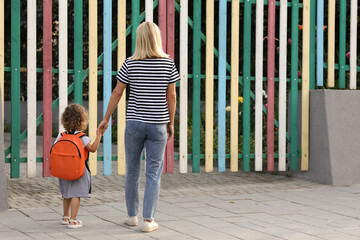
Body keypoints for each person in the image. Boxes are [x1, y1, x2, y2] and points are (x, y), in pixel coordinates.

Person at [97, 21, 179, 232]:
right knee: (153, 173)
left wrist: (106, 118)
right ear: (157, 38)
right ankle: (148, 221)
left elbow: (117, 93)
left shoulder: (130, 63)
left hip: (134, 123)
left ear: (139, 39)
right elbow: (171, 95)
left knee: (132, 171)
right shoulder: (168, 63)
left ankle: (132, 216)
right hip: (157, 124)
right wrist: (170, 122)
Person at [55, 103, 102, 229]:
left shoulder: (61, 135)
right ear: (82, 121)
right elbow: (92, 149)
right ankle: (73, 220)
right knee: (76, 194)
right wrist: (99, 136)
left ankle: (65, 216)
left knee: (66, 194)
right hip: (78, 170)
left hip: (63, 170)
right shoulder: (82, 137)